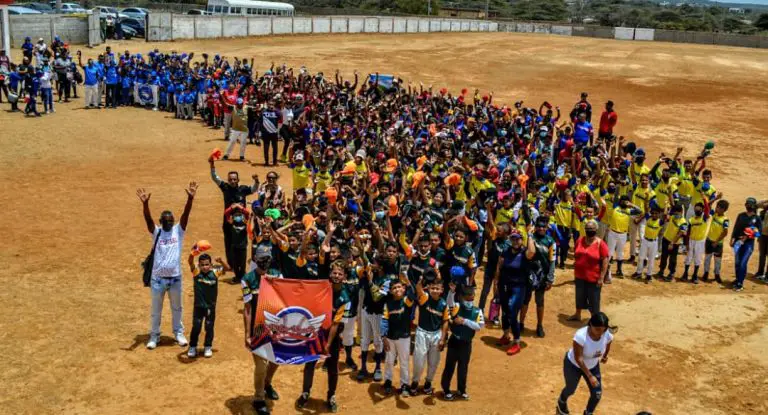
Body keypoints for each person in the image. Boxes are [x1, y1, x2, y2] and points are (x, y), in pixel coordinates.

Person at [136, 182, 198, 350]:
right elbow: (148, 220)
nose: (169, 223)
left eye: (171, 220)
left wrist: (190, 199)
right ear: (161, 221)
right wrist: (145, 204)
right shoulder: (157, 232)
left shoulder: (179, 231)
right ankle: (154, 336)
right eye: (166, 220)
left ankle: (178, 333)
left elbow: (186, 214)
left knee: (177, 308)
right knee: (156, 310)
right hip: (157, 279)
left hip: (175, 278)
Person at [296, 260, 350, 412]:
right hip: (315, 333)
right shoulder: (322, 289)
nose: (337, 276)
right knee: (310, 364)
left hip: (332, 338)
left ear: (345, 276)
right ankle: (305, 393)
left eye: (340, 274)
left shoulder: (345, 298)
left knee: (333, 368)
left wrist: (327, 345)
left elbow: (336, 324)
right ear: (330, 274)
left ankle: (331, 395)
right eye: (334, 273)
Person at [242, 246, 281, 415]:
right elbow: (247, 308)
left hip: (275, 327)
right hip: (257, 329)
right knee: (260, 365)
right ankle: (258, 398)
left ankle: (267, 384)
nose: (265, 261)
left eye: (268, 258)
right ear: (256, 259)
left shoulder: (277, 275)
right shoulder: (248, 279)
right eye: (262, 258)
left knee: (276, 360)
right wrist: (247, 334)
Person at [556, 312, 613, 415]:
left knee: (597, 394)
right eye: (597, 329)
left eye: (603, 329)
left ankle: (588, 413)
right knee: (570, 389)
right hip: (574, 365)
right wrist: (590, 376)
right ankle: (562, 401)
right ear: (591, 325)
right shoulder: (580, 336)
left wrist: (605, 355)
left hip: (593, 366)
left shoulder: (606, 333)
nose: (600, 332)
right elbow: (579, 358)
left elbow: (608, 342)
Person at [494, 229, 536, 355]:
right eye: (513, 238)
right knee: (505, 311)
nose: (515, 241)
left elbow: (532, 251)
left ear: (521, 239)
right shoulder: (506, 252)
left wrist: (529, 235)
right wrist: (496, 283)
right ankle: (506, 335)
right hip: (504, 285)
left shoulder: (525, 253)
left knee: (512, 313)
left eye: (517, 238)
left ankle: (516, 342)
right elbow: (499, 266)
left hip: (519, 287)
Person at [441, 284, 484, 401]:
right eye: (468, 299)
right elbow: (449, 303)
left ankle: (461, 390)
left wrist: (464, 321)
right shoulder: (457, 306)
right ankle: (446, 390)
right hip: (454, 341)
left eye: (472, 299)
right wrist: (451, 292)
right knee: (449, 366)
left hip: (466, 344)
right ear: (461, 298)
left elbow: (479, 326)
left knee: (463, 368)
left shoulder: (477, 311)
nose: (470, 301)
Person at [410, 271, 449, 395]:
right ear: (429, 288)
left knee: (434, 362)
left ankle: (428, 382)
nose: (435, 291)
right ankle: (415, 382)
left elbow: (445, 322)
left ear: (442, 290)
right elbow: (418, 288)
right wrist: (422, 279)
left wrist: (443, 339)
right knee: (418, 360)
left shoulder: (444, 304)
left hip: (436, 335)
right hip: (422, 333)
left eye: (438, 289)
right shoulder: (424, 298)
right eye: (433, 288)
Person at [186, 251, 226, 358]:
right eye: (202, 265)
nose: (204, 267)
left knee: (209, 327)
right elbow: (190, 261)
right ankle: (192, 346)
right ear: (199, 265)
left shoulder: (215, 273)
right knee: (196, 327)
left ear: (211, 265)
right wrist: (193, 253)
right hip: (198, 307)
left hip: (210, 307)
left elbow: (228, 269)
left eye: (207, 264)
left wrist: (221, 261)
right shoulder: (196, 273)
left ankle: (208, 346)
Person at [569, 220, 609, 322]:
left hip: (594, 278)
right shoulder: (580, 240)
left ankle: (594, 320)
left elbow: (605, 260)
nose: (589, 231)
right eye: (587, 229)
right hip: (579, 275)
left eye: (591, 229)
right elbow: (576, 254)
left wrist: (601, 277)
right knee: (579, 296)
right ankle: (577, 314)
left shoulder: (601, 243)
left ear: (596, 230)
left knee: (594, 299)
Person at [380, 278, 415, 396]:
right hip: (390, 337)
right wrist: (384, 337)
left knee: (404, 361)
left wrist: (409, 284)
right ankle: (388, 381)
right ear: (390, 291)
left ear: (404, 289)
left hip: (404, 337)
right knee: (389, 360)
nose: (397, 289)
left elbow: (412, 295)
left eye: (399, 287)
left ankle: (404, 384)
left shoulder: (407, 301)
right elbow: (384, 321)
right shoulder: (388, 304)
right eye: (394, 288)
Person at [730, 197, 763, 291]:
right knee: (737, 262)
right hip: (738, 242)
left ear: (753, 206)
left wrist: (749, 235)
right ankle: (738, 279)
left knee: (743, 263)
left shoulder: (757, 218)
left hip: (748, 244)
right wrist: (732, 238)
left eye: (750, 204)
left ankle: (740, 283)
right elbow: (735, 228)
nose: (748, 205)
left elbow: (759, 232)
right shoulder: (741, 215)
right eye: (747, 204)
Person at [703, 199, 729, 284]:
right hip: (709, 240)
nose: (717, 208)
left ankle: (717, 275)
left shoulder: (725, 220)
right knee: (707, 258)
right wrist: (716, 198)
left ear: (723, 209)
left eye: (719, 207)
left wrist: (716, 242)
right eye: (717, 207)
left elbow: (725, 233)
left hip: (718, 243)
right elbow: (707, 205)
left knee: (717, 260)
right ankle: (706, 273)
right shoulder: (714, 214)